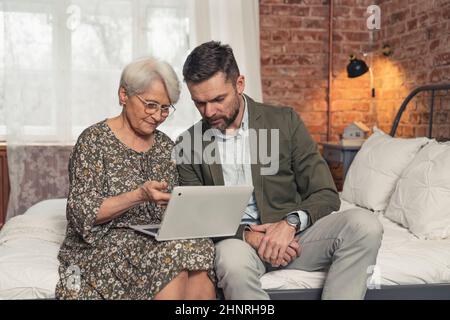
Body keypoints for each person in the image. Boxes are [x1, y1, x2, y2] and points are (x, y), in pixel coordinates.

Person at [176, 41, 383, 300]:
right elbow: (196, 216)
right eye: (200, 103)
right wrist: (249, 236)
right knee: (231, 263)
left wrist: (290, 224)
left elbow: (326, 192)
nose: (209, 112)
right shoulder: (188, 144)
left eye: (218, 99)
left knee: (366, 225)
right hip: (238, 242)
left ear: (239, 84)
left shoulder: (285, 121)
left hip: (296, 238)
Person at [55, 57, 216, 300]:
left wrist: (178, 203)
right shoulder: (94, 141)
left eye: (165, 108)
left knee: (199, 247)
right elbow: (81, 214)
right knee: (172, 255)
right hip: (104, 241)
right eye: (151, 105)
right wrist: (139, 196)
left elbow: (172, 202)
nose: (158, 116)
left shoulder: (164, 145)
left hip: (153, 234)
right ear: (123, 95)